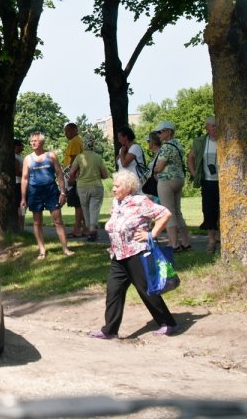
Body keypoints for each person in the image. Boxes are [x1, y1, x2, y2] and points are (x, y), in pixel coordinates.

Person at [89, 170, 178, 339]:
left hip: (137, 253)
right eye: (113, 185)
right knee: (113, 291)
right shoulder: (117, 202)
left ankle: (169, 323)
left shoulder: (140, 201)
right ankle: (110, 330)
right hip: (118, 256)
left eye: (117, 186)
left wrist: (151, 234)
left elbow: (165, 214)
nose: (113, 189)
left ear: (128, 187)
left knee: (146, 291)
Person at [20, 132, 74, 259]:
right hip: (34, 192)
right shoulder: (28, 159)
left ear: (42, 142)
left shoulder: (51, 156)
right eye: (31, 141)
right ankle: (42, 250)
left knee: (58, 221)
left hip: (51, 190)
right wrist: (23, 198)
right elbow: (24, 178)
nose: (33, 143)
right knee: (37, 222)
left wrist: (63, 192)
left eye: (35, 140)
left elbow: (60, 174)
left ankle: (65, 248)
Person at [153, 120, 191, 252]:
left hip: (167, 181)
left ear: (168, 132)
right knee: (177, 212)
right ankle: (186, 242)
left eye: (160, 132)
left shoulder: (166, 147)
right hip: (179, 179)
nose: (158, 135)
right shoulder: (178, 144)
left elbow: (160, 166)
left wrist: (154, 171)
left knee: (168, 213)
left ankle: (173, 244)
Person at [187, 116, 220, 253]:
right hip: (207, 182)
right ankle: (211, 240)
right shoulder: (201, 141)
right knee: (208, 211)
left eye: (216, 126)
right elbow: (190, 158)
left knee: (223, 211)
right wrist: (195, 174)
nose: (214, 129)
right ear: (207, 128)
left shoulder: (225, 141)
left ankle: (221, 238)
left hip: (223, 182)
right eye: (212, 126)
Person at [68, 135, 109, 242]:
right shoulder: (98, 157)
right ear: (93, 145)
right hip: (96, 186)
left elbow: (71, 172)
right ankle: (92, 229)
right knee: (94, 208)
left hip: (82, 187)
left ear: (83, 146)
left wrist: (72, 180)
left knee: (85, 208)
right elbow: (105, 175)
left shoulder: (79, 157)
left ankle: (89, 229)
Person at [63, 122, 86, 238]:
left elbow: (74, 160)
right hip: (79, 175)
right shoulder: (79, 140)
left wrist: (71, 176)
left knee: (78, 204)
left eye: (66, 131)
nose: (65, 134)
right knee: (80, 203)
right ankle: (85, 228)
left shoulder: (74, 142)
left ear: (73, 130)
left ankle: (77, 229)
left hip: (74, 176)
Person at [14, 139, 25, 231]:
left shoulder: (20, 156)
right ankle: (20, 227)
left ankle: (22, 227)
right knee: (20, 206)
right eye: (20, 145)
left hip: (23, 183)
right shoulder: (14, 157)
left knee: (23, 206)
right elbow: (17, 172)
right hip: (18, 183)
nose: (22, 146)